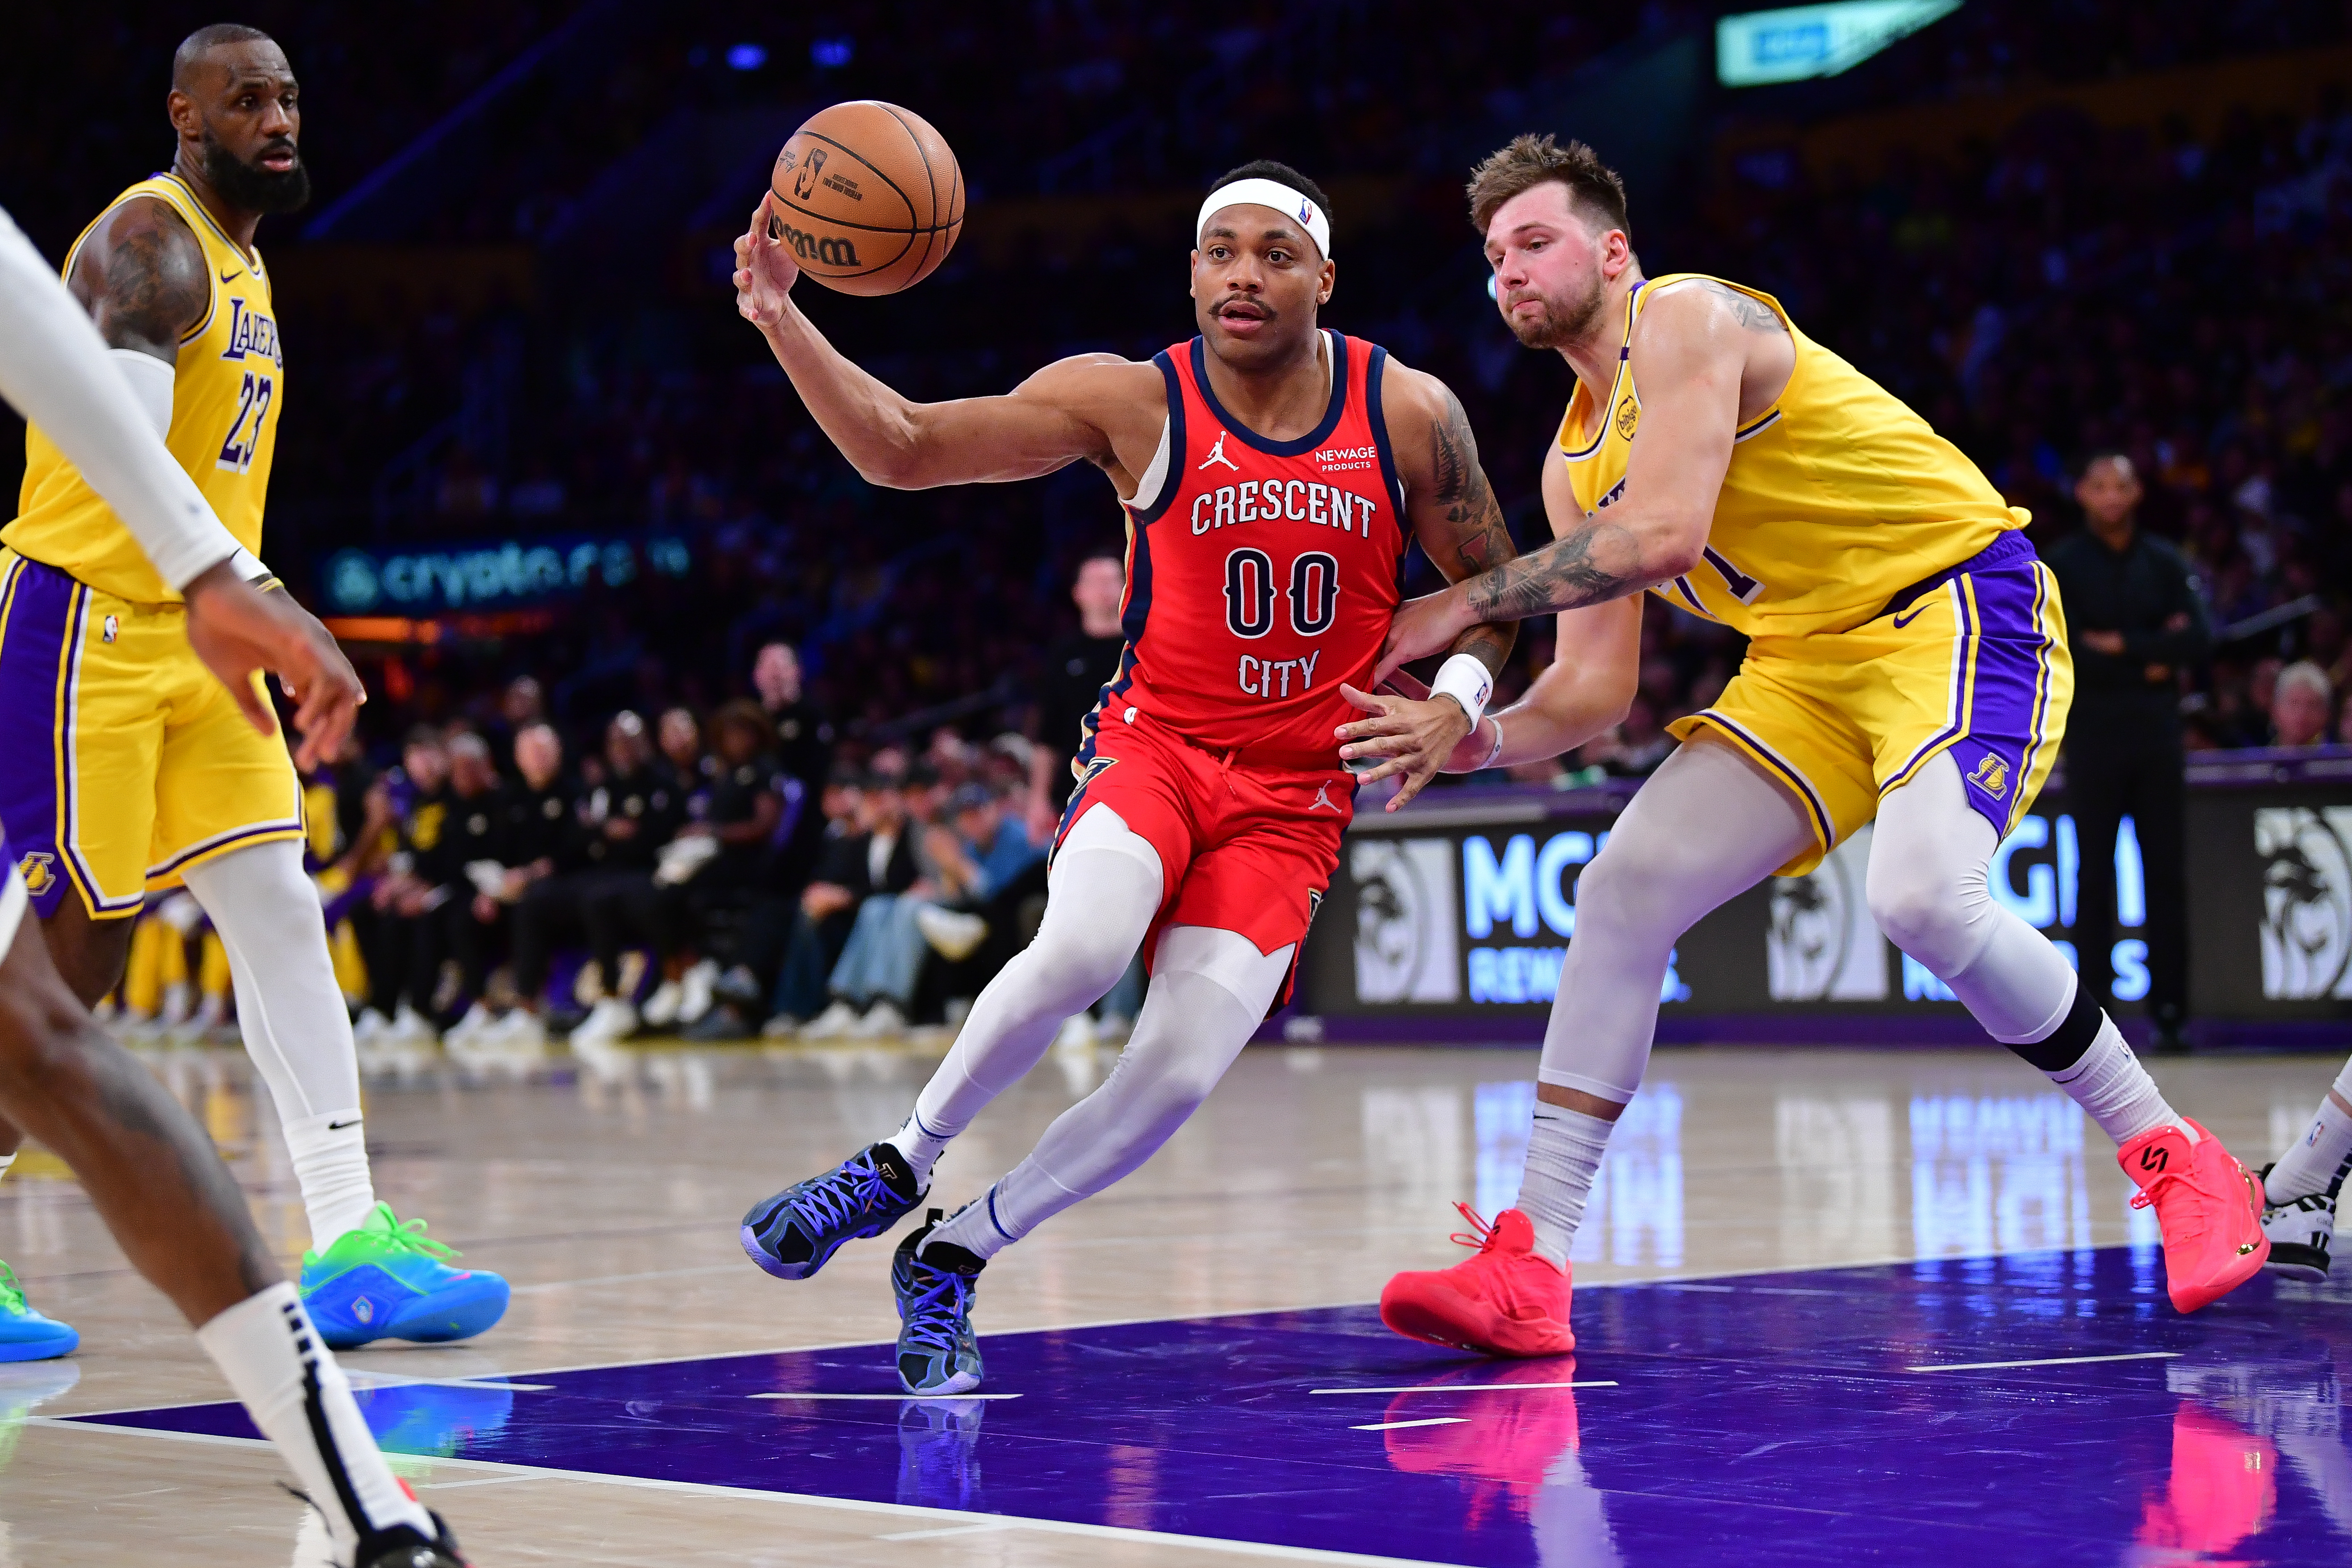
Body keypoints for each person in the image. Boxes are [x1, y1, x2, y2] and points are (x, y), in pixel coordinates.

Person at [1367, 136, 2267, 1356]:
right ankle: (1533, 1256)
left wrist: (1465, 602)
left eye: (1534, 241)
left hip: (1951, 603)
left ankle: (2180, 1158)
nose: (1509, 271)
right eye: (1492, 257)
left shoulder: (1685, 315)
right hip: (1805, 665)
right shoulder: (1571, 466)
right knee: (1624, 887)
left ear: (1612, 249)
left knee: (1922, 899)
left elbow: (1672, 535)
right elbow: (1590, 693)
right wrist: (1475, 737)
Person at [732, 158, 1521, 1394]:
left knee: (1177, 1073)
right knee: (1086, 943)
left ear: (1325, 276)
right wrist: (785, 316)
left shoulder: (1408, 409)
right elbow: (904, 451)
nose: (1243, 275)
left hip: (1298, 794)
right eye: (1220, 252)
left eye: (1273, 252)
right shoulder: (1132, 400)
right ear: (1192, 272)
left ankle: (953, 1253)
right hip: (1159, 744)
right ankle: (896, 1162)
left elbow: (1496, 593)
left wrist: (1456, 707)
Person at [0, 23, 504, 1357]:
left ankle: (348, 1238)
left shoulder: (248, 261)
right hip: (87, 617)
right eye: (246, 100)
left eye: (287, 98)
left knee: (279, 898)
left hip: (202, 630)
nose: (277, 118)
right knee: (67, 950)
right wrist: (259, 595)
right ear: (184, 113)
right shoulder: (150, 244)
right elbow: (122, 464)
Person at [2045, 454, 2210, 1053]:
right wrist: (2149, 654)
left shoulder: (2165, 561)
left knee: (2164, 872)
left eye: (2121, 485)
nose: (2111, 496)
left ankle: (2171, 1014)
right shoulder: (2062, 564)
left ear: (2137, 492)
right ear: (2082, 493)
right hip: (2092, 736)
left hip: (2157, 735)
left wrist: (2117, 645)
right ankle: (2097, 1021)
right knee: (2093, 876)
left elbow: (2197, 638)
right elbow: (2063, 647)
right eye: (2099, 486)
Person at [1031, 553, 1146, 1043]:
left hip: (1137, 790)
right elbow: (1048, 738)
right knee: (1071, 903)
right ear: (1077, 593)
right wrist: (1038, 796)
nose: (1103, 589)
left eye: (1112, 579)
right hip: (1071, 798)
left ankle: (1121, 1012)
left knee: (1128, 899)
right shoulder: (1062, 655)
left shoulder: (1142, 642)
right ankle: (1072, 1009)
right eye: (1094, 580)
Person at [2271, 661, 2334, 748]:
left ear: (2326, 714)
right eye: (2294, 703)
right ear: (2275, 711)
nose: (2302, 714)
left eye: (2312, 705)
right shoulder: (2254, 759)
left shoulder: (2342, 760)